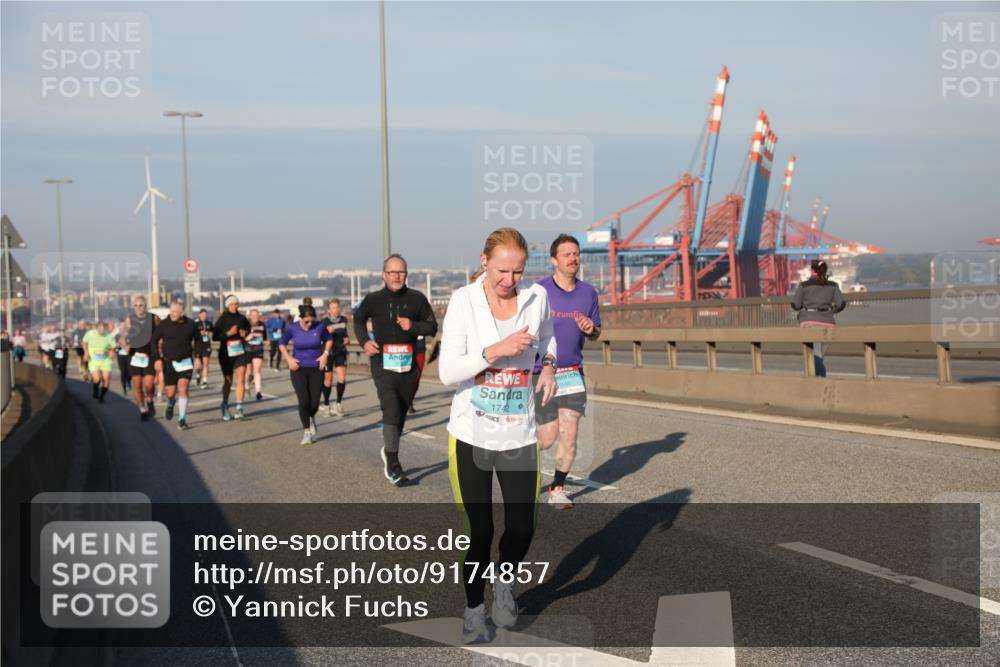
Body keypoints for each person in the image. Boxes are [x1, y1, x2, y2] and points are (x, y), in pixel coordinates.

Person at [438, 227, 557, 643]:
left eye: (517, 272)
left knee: (522, 528)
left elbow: (547, 338)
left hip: (519, 432)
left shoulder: (536, 298)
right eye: (502, 271)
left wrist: (548, 364)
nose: (509, 281)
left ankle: (503, 584)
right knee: (479, 531)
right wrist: (494, 351)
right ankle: (473, 610)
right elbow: (446, 371)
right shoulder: (462, 301)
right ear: (484, 261)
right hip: (471, 432)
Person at [353, 254, 438, 486]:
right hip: (382, 362)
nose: (396, 276)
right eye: (392, 272)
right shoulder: (373, 299)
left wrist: (413, 326)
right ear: (383, 275)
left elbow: (432, 327)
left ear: (406, 274)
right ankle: (393, 462)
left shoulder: (417, 299)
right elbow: (358, 320)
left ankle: (389, 449)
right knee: (390, 407)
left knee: (399, 411)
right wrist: (364, 342)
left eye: (400, 272)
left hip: (408, 364)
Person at [534, 234, 602, 509]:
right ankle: (516, 464)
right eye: (567, 254)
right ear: (554, 260)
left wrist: (591, 329)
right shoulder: (539, 291)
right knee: (547, 438)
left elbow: (596, 332)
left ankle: (557, 488)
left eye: (576, 254)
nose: (573, 259)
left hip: (573, 372)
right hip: (543, 373)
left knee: (570, 432)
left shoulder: (588, 293)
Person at [279, 302, 332, 445]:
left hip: (316, 367)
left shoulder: (320, 326)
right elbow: (281, 343)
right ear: (300, 318)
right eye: (306, 321)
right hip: (298, 368)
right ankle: (307, 432)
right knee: (303, 401)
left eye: (312, 321)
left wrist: (325, 354)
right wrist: (289, 358)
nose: (309, 324)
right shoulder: (292, 328)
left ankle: (311, 417)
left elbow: (329, 339)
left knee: (314, 402)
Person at [791, 259, 846, 378]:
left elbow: (795, 305)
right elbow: (841, 304)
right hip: (828, 323)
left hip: (808, 322)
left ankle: (819, 382)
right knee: (819, 355)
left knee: (814, 356)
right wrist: (831, 311)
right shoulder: (833, 286)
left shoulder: (804, 285)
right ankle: (815, 381)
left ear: (812, 270)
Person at [152, 301, 199, 430]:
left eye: (174, 312)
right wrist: (156, 358)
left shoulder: (191, 325)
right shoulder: (164, 324)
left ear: (182, 313)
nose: (171, 314)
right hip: (169, 362)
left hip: (185, 361)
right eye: (170, 311)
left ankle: (182, 419)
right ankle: (171, 402)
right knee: (170, 392)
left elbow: (199, 340)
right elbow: (154, 340)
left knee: (183, 388)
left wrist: (198, 357)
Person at [122, 295, 162, 421]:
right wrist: (125, 346)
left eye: (141, 305)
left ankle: (149, 399)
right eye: (136, 305)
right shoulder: (130, 320)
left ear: (146, 306)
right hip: (134, 356)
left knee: (149, 384)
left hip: (149, 355)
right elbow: (123, 337)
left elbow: (161, 334)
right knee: (137, 384)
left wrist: (160, 348)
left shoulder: (153, 318)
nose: (139, 308)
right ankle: (142, 410)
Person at [213, 295, 250, 421]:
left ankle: (239, 407)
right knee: (228, 381)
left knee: (241, 378)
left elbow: (248, 330)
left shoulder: (242, 318)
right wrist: (229, 333)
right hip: (225, 353)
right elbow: (215, 336)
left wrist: (245, 333)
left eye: (236, 303)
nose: (235, 306)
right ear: (228, 305)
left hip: (240, 351)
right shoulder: (222, 319)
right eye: (232, 304)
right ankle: (224, 404)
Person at [320, 298, 350, 417]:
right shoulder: (324, 322)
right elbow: (320, 338)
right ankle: (327, 404)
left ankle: (338, 403)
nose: (336, 310)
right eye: (333, 308)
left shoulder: (344, 320)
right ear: (329, 310)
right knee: (328, 380)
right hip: (328, 353)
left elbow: (345, 334)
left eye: (338, 307)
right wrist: (327, 332)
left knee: (342, 378)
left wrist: (347, 339)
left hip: (340, 351)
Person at [82, 320, 116, 403]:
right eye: (100, 328)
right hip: (94, 360)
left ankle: (101, 397)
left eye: (103, 328)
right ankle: (95, 390)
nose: (102, 330)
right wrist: (86, 352)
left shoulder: (109, 336)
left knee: (106, 378)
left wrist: (112, 352)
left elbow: (113, 346)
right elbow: (84, 342)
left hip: (105, 360)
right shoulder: (90, 334)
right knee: (97, 379)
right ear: (96, 328)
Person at [245, 309, 267, 400]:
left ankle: (258, 392)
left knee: (257, 370)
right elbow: (242, 338)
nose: (255, 316)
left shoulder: (262, 325)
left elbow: (265, 337)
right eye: (253, 315)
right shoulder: (246, 325)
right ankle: (246, 385)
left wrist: (266, 341)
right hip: (248, 349)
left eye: (256, 315)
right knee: (249, 372)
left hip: (258, 349)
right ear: (249, 316)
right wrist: (248, 337)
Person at [194, 309, 214, 388]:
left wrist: (209, 334)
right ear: (199, 315)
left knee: (206, 363)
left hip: (206, 345)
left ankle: (204, 381)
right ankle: (198, 374)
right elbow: (192, 335)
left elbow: (212, 332)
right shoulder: (195, 324)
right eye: (202, 314)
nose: (204, 316)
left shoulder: (209, 323)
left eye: (206, 315)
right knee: (198, 365)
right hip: (198, 346)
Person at [115, 319, 131, 394]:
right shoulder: (117, 335)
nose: (123, 327)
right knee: (123, 372)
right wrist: (117, 345)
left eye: (124, 325)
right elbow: (114, 346)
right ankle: (124, 387)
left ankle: (128, 381)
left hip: (129, 355)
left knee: (129, 371)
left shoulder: (131, 334)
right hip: (120, 355)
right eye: (121, 326)